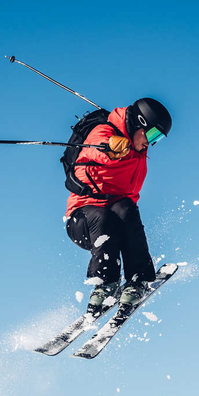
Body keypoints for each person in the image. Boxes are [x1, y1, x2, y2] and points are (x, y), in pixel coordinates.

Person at [64, 98, 172, 315]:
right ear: (139, 124)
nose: (151, 143)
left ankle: (137, 279)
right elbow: (93, 150)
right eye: (152, 135)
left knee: (126, 208)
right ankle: (105, 284)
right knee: (103, 216)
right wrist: (109, 149)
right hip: (82, 222)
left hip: (112, 225)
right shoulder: (104, 132)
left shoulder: (138, 154)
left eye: (157, 139)